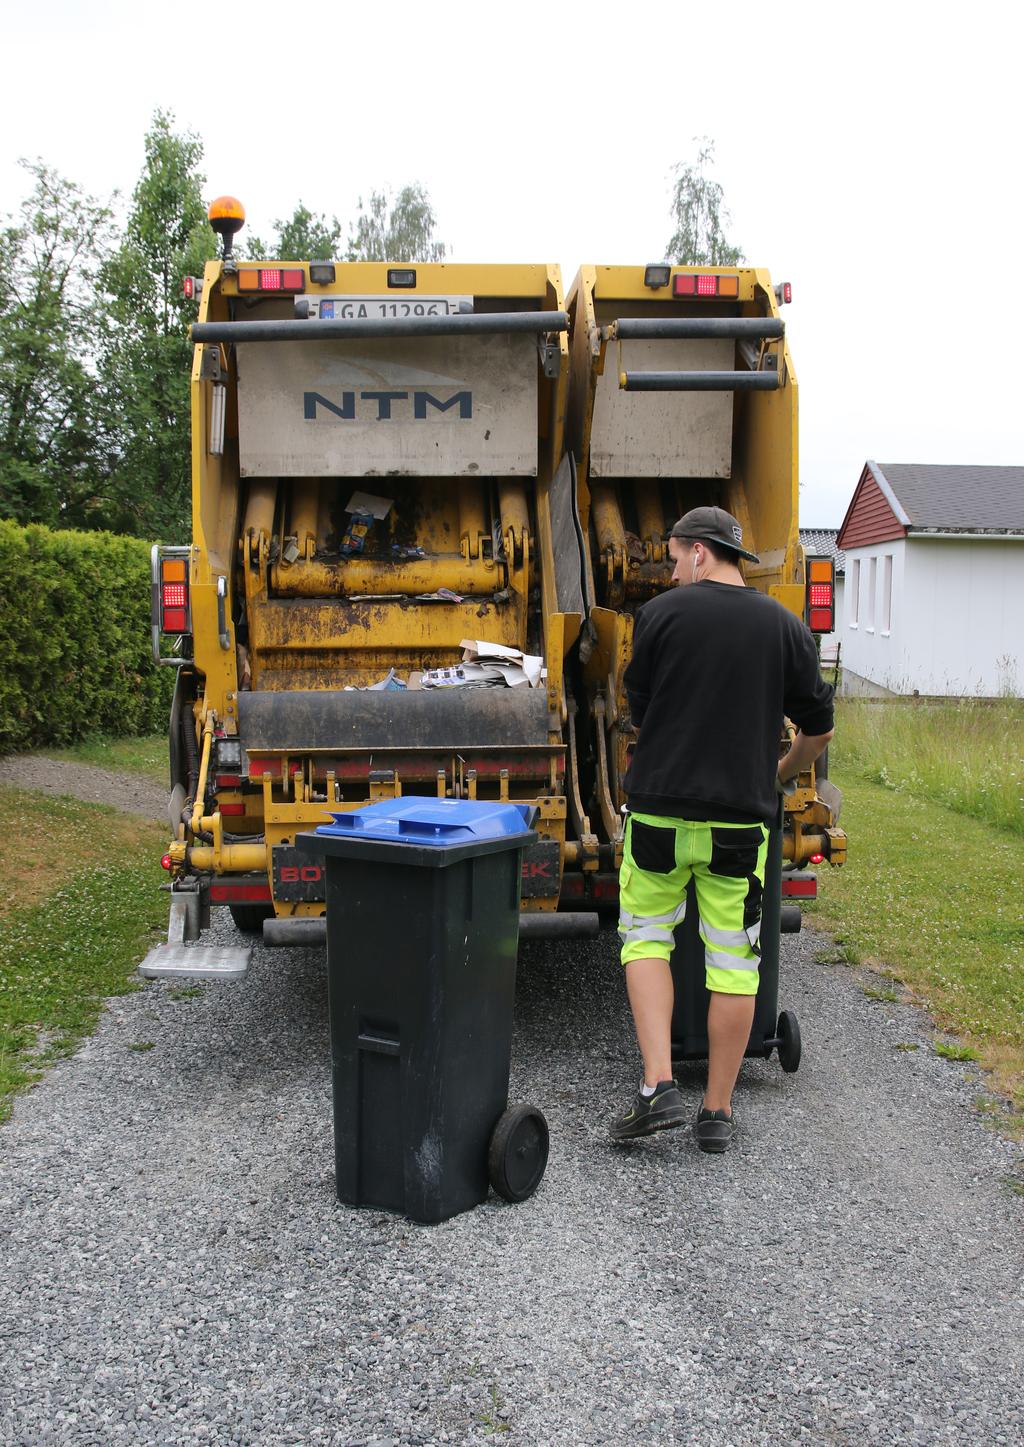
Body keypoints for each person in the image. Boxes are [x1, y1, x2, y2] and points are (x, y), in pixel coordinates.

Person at [609, 506, 834, 1152]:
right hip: (740, 819)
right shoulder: (783, 627)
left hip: (658, 811)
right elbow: (818, 727)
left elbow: (641, 710)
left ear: (702, 554)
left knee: (646, 935)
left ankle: (658, 1085)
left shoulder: (659, 617)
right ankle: (717, 1111)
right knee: (735, 962)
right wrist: (779, 770)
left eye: (678, 558)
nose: (675, 571)